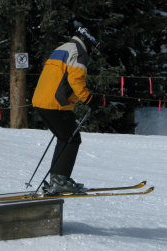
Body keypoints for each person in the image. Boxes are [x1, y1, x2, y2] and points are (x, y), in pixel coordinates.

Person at [32, 27, 100, 195]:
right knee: (72, 138)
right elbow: (75, 79)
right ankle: (60, 180)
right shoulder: (80, 52)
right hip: (55, 103)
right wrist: (89, 99)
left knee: (65, 137)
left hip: (41, 101)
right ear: (89, 41)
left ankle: (57, 179)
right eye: (94, 46)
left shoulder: (63, 48)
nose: (94, 50)